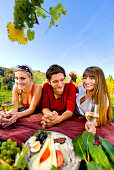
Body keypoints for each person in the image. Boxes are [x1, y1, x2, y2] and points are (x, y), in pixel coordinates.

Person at [69, 66, 112, 134]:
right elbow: (69, 90)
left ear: (99, 80)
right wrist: (72, 78)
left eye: (92, 78)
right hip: (71, 116)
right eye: (85, 78)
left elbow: (100, 118)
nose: (87, 81)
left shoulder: (103, 97)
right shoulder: (81, 87)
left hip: (81, 121)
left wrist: (92, 125)